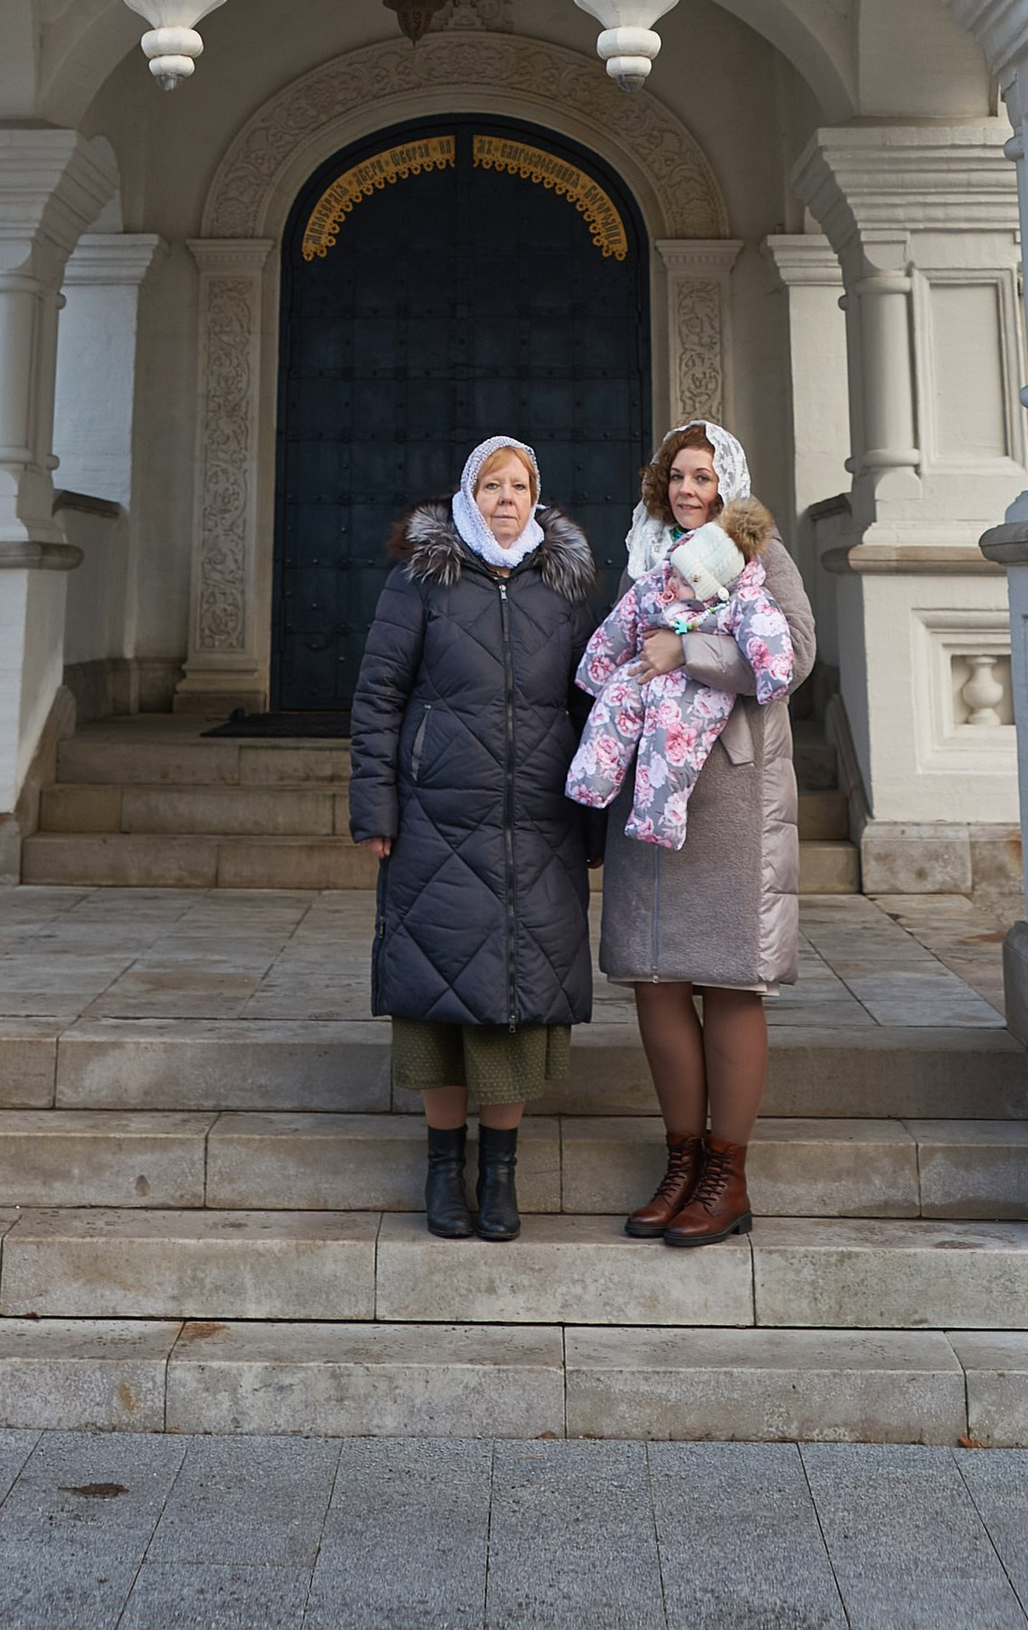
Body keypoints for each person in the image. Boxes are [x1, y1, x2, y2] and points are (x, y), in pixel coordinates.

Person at [348, 435, 603, 1242]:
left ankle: (499, 1174)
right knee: (438, 1005)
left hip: (538, 823)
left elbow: (592, 710)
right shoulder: (420, 581)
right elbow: (378, 698)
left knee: (518, 1004)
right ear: (467, 494)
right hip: (437, 819)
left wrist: (595, 819)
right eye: (490, 484)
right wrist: (375, 810)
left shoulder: (563, 591)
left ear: (538, 497)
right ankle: (440, 1171)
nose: (504, 498)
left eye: (519, 485)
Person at [597, 420, 814, 1251]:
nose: (690, 490)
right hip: (649, 789)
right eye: (677, 476)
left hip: (728, 792)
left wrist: (684, 650)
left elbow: (792, 655)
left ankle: (728, 1173)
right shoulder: (642, 554)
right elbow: (620, 652)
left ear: (729, 484)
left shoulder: (761, 550)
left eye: (705, 477)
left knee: (728, 981)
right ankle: (681, 1162)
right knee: (654, 977)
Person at [566, 498, 793, 851]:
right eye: (674, 572)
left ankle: (658, 820)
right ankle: (590, 781)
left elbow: (767, 635)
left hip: (696, 691)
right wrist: (596, 670)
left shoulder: (742, 599)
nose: (673, 584)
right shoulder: (655, 581)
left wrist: (772, 676)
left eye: (686, 581)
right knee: (612, 705)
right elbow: (621, 623)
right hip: (643, 670)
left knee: (671, 746)